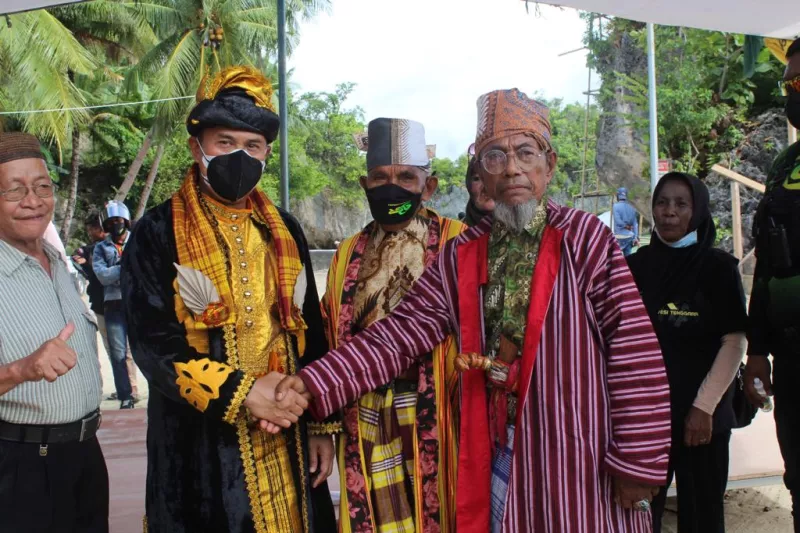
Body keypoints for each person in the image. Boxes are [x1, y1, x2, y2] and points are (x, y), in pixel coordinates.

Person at [277, 89, 672, 533]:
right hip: (497, 448)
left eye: (526, 152)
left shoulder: (583, 239)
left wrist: (638, 459)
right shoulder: (463, 252)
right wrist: (313, 383)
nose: (512, 168)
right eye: (494, 156)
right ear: (480, 175)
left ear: (550, 164)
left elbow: (633, 348)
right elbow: (400, 333)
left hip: (576, 447)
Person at [121, 66, 337, 533]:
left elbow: (312, 331)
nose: (240, 155)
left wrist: (320, 424)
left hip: (290, 433)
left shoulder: (286, 230)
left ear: (267, 153)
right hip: (200, 445)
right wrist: (243, 394)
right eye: (225, 142)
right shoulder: (155, 233)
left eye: (253, 146)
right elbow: (153, 346)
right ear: (196, 146)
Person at [322, 117, 465, 532]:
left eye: (406, 177)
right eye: (381, 177)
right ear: (365, 185)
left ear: (430, 185)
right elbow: (330, 333)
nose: (393, 187)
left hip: (438, 413)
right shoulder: (348, 252)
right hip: (363, 413)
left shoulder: (461, 242)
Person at [627, 172, 748, 533]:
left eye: (681, 204)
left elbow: (734, 341)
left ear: (697, 211)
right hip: (647, 420)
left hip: (703, 421)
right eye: (662, 202)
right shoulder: (635, 266)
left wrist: (703, 407)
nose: (669, 212)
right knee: (639, 514)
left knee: (702, 517)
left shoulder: (719, 268)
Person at [0, 132, 106, 532]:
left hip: (83, 455)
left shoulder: (58, 261)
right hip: (19, 465)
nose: (33, 200)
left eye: (42, 187)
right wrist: (22, 369)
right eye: (14, 191)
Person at [745, 36, 800, 533]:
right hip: (792, 355)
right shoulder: (785, 165)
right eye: (789, 85)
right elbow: (765, 262)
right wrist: (758, 349)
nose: (792, 94)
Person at [93, 201, 135, 409]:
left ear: (126, 221)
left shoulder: (138, 242)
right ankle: (125, 396)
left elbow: (145, 268)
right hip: (113, 305)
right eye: (110, 222)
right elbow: (102, 276)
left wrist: (118, 270)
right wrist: (125, 266)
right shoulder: (100, 248)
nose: (115, 225)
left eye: (118, 220)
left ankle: (158, 392)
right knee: (118, 354)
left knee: (146, 349)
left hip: (137, 302)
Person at [463, 150, 496, 227]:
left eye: (494, 177)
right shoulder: (455, 233)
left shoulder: (525, 230)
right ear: (469, 186)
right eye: (477, 179)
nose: (487, 187)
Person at [613, 186, 639, 256]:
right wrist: (636, 237)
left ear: (618, 196)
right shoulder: (632, 207)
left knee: (617, 259)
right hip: (629, 236)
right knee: (628, 258)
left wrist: (626, 226)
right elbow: (635, 224)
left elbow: (618, 221)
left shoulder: (615, 206)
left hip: (619, 237)